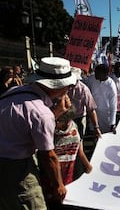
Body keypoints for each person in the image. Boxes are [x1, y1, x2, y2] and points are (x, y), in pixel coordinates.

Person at [0, 57, 75, 209]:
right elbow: (48, 155)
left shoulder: (13, 92)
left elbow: (30, 126)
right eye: (69, 85)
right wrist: (58, 185)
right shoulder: (42, 113)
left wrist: (57, 111)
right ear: (59, 87)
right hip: (17, 170)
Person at [41, 106, 92, 209]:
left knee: (65, 199)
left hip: (69, 169)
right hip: (53, 171)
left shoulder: (74, 126)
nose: (56, 122)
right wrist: (59, 183)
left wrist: (87, 165)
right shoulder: (49, 131)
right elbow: (49, 156)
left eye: (59, 120)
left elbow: (79, 147)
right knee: (53, 199)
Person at [85, 64, 117, 134]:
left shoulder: (111, 85)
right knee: (94, 133)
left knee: (104, 137)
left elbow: (113, 105)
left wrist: (112, 123)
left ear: (105, 74)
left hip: (105, 115)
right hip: (93, 113)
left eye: (97, 73)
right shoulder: (91, 79)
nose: (95, 74)